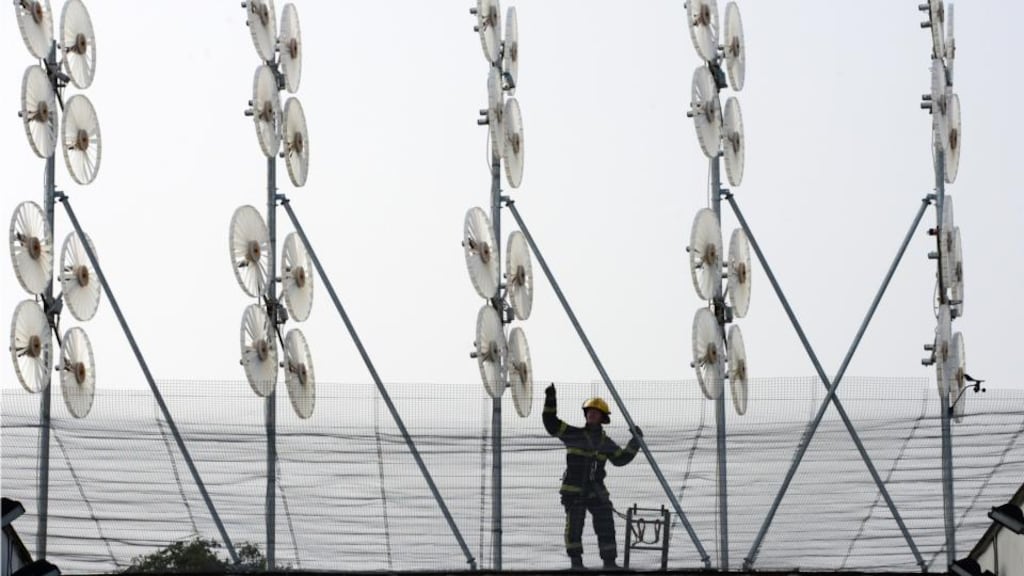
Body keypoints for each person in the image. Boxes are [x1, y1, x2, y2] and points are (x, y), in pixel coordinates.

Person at [543, 383, 642, 570]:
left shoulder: (606, 442)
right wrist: (550, 399)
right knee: (574, 528)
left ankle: (610, 563)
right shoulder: (573, 434)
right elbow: (551, 423)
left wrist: (634, 442)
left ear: (603, 418)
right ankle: (576, 564)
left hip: (596, 491)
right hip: (574, 492)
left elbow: (620, 460)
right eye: (589, 411)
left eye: (596, 412)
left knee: (606, 525)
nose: (591, 414)